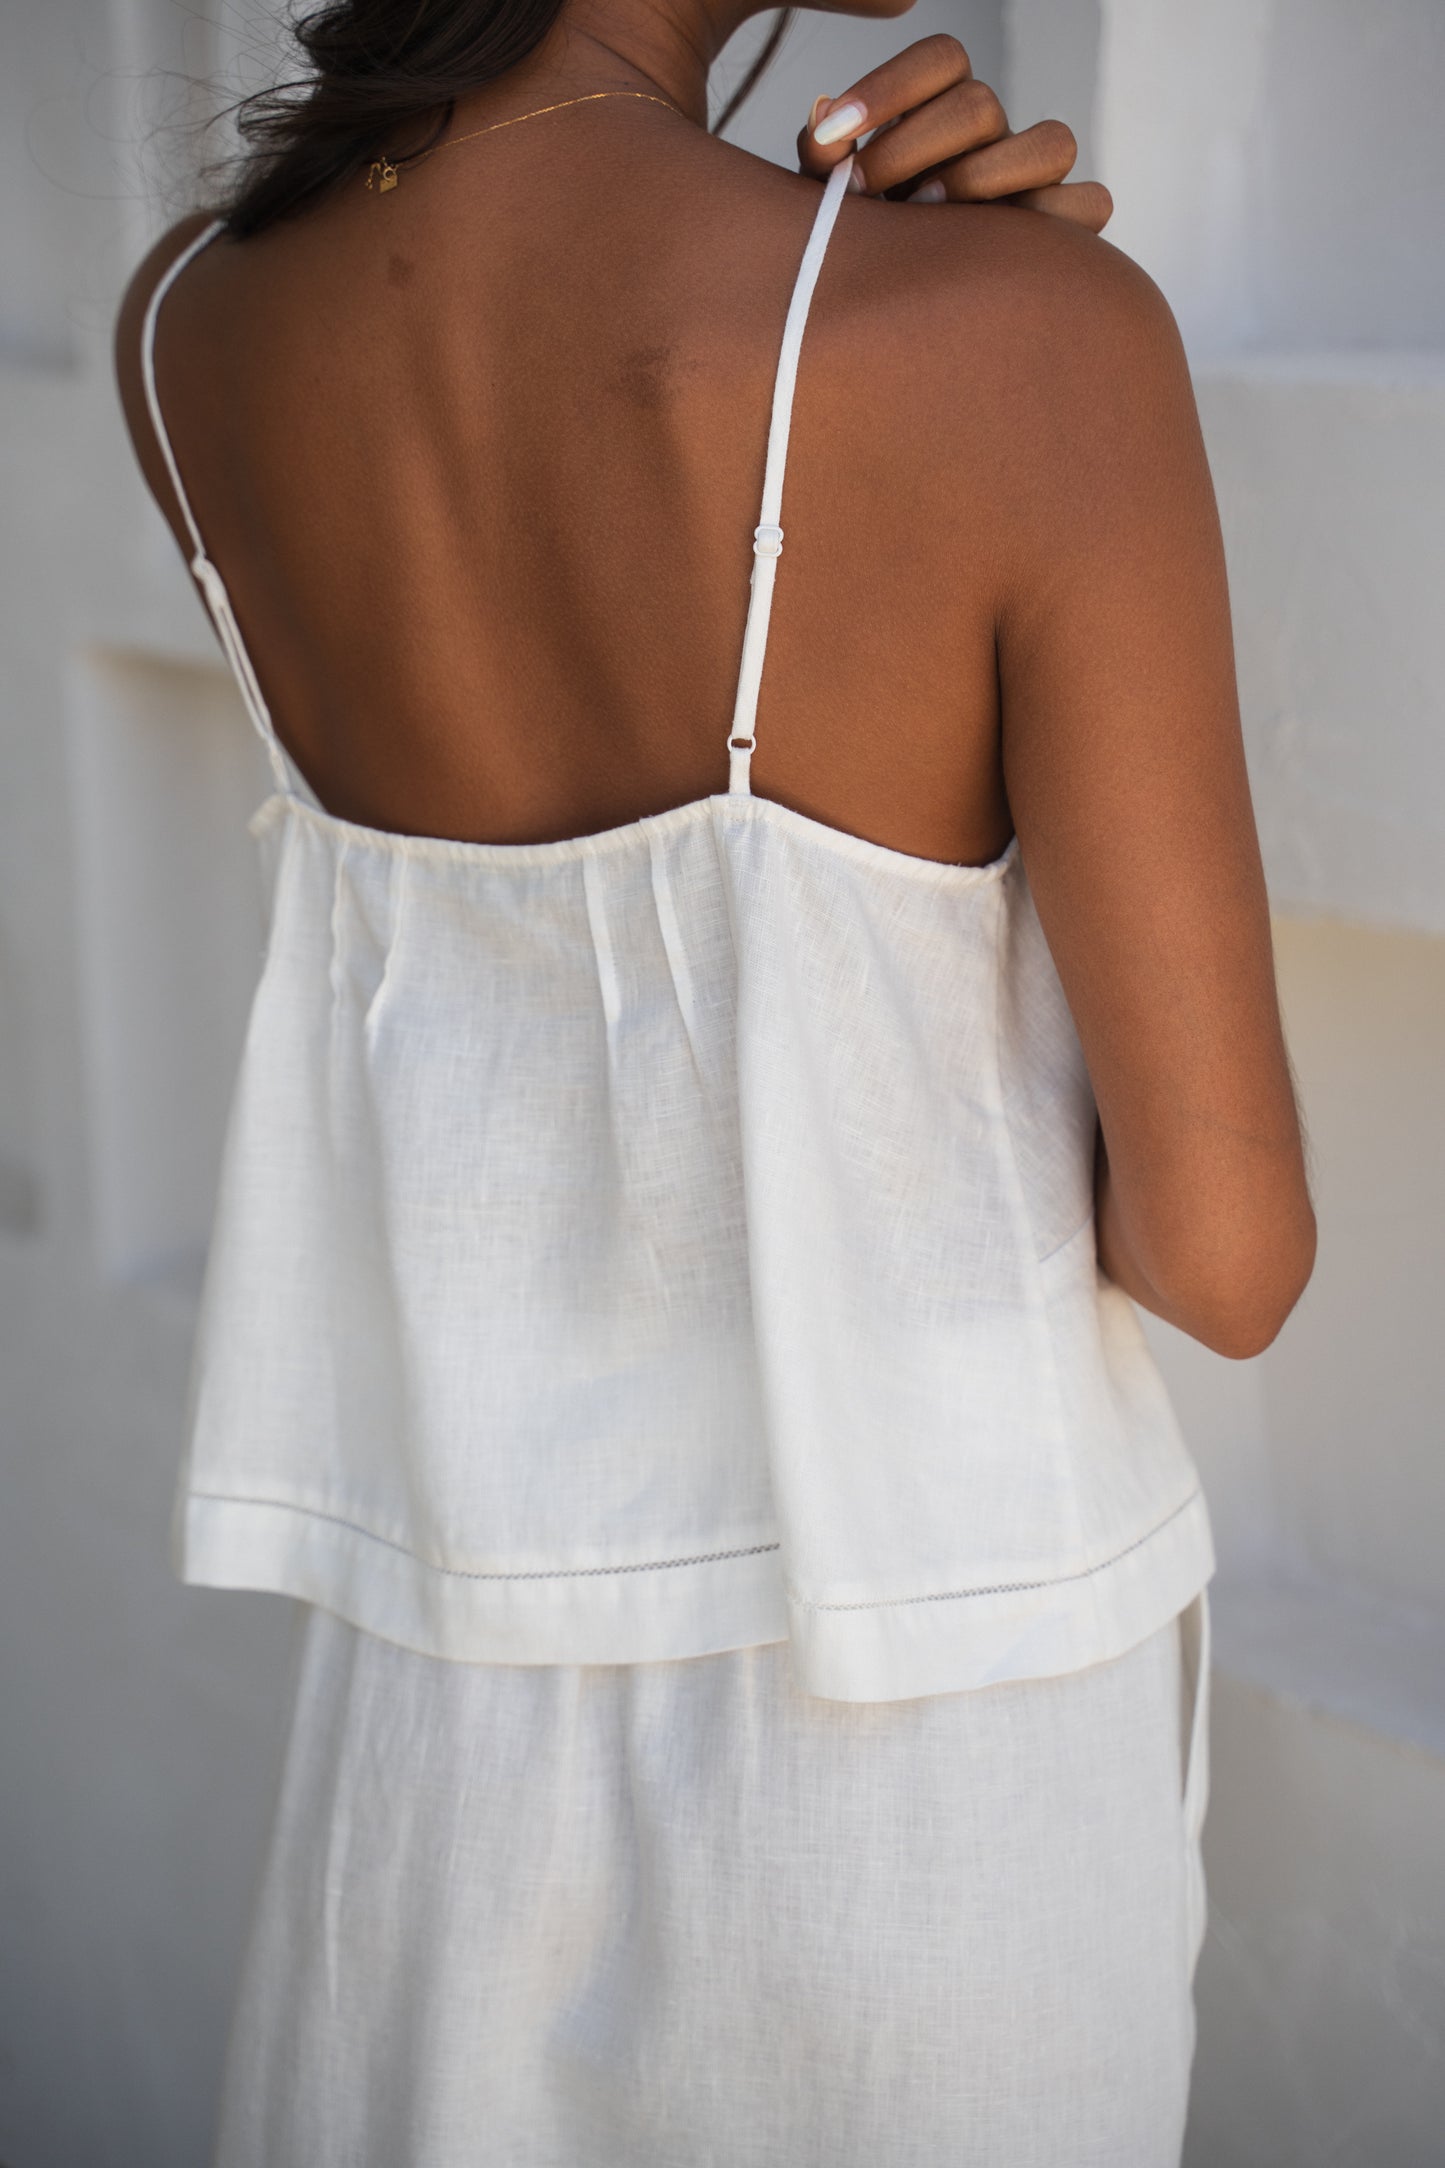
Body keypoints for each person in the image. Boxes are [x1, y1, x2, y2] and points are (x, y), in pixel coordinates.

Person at [115, 0, 1316, 2158]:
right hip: (930, 1757)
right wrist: (996, 332)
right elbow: (1221, 1256)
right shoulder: (1017, 338)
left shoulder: (191, 329)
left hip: (434, 1744)